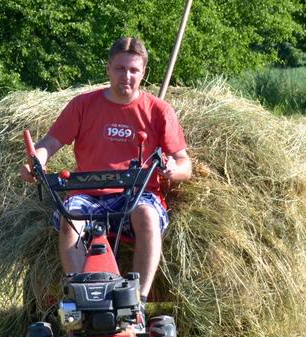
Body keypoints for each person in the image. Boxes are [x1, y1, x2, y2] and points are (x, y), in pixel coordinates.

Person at [20, 37, 192, 303]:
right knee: (70, 217)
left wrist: (171, 168)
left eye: (134, 70)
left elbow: (184, 164)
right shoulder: (83, 105)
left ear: (143, 73)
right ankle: (83, 300)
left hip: (136, 194)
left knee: (147, 215)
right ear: (109, 68)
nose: (127, 76)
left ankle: (138, 301)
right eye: (121, 69)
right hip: (89, 193)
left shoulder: (159, 111)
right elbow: (49, 143)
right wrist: (37, 161)